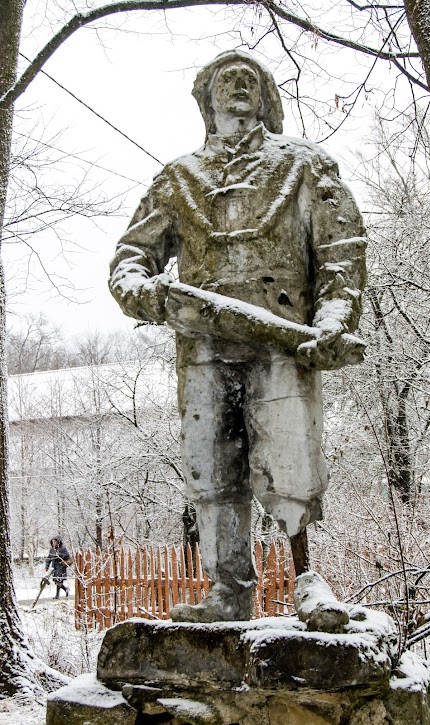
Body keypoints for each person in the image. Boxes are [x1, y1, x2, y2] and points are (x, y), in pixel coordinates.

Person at [109, 50, 366, 622]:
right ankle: (228, 589)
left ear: (268, 97)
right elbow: (130, 258)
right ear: (206, 100)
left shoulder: (303, 165)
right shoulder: (179, 179)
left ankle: (309, 580)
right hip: (201, 345)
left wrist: (332, 323)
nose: (238, 86)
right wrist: (151, 296)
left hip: (282, 340)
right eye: (226, 79)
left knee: (290, 457)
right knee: (212, 466)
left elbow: (341, 257)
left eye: (251, 79)